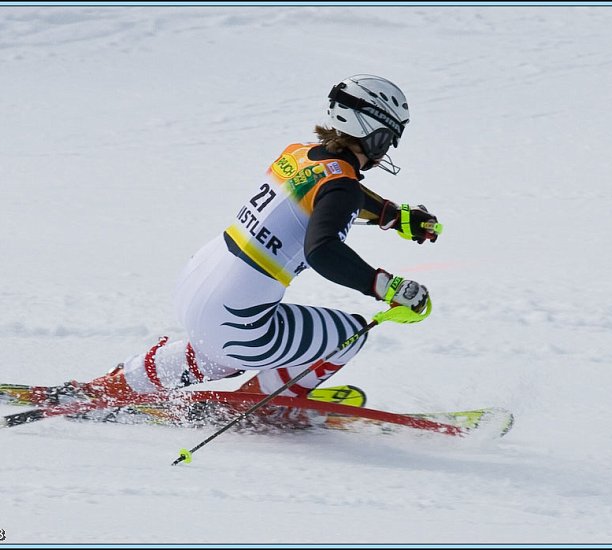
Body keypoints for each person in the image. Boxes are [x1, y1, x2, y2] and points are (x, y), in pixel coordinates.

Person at [68, 74, 440, 404]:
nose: (387, 150)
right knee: (351, 333)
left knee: (220, 350)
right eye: (388, 139)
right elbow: (323, 250)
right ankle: (270, 402)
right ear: (372, 134)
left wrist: (394, 216)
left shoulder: (299, 154)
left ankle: (121, 383)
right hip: (235, 314)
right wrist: (388, 288)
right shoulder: (342, 185)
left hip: (195, 286)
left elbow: (329, 191)